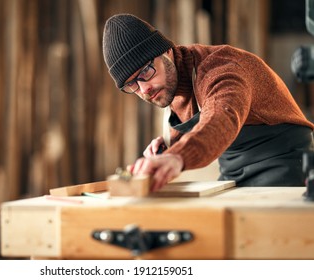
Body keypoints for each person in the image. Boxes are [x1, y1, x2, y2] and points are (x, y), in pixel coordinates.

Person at [102, 13, 314, 191]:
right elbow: (195, 117)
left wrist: (178, 157)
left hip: (285, 164)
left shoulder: (221, 69)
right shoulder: (168, 83)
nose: (144, 89)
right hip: (233, 173)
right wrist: (168, 148)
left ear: (166, 51)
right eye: (131, 85)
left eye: (146, 72)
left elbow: (221, 118)